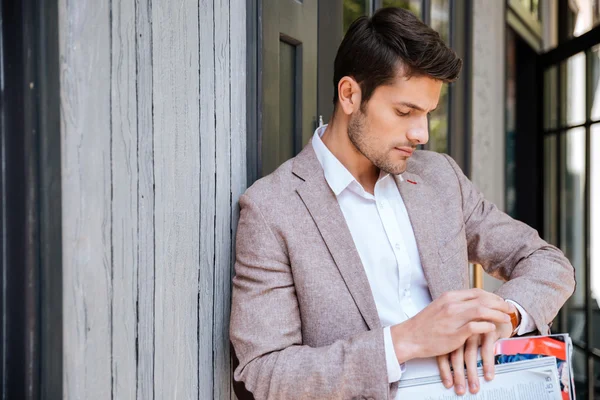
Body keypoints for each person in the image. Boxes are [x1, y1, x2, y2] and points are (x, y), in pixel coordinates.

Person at [229, 7, 575, 399]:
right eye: (404, 111)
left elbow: (547, 262)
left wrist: (505, 316)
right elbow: (265, 371)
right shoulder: (273, 208)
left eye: (427, 114)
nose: (422, 133)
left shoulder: (440, 178)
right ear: (350, 95)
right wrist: (403, 341)